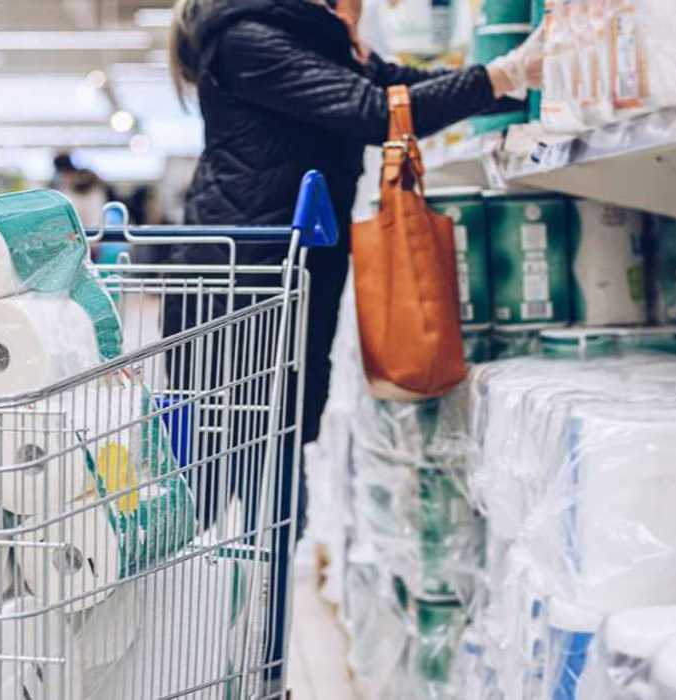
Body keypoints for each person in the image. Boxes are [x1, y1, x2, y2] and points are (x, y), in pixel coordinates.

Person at [165, 0, 543, 689]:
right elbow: (375, 112)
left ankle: (246, 656)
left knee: (270, 475)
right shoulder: (250, 38)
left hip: (285, 284)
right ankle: (192, 649)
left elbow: (395, 85)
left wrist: (494, 71)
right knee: (224, 479)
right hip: (239, 292)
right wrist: (505, 73)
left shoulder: (310, 38)